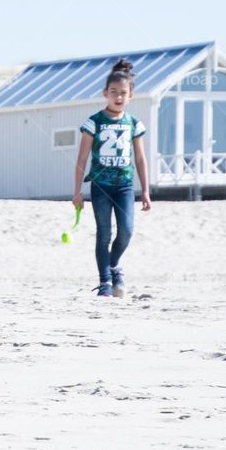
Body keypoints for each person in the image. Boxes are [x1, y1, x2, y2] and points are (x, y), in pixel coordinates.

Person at [72, 59, 152, 298]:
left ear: (131, 95)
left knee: (127, 230)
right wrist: (77, 192)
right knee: (104, 233)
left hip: (125, 186)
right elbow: (82, 158)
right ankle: (105, 281)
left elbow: (140, 159)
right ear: (105, 93)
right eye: (113, 92)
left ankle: (114, 264)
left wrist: (146, 191)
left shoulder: (133, 123)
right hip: (100, 186)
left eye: (123, 93)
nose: (118, 97)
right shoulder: (94, 122)